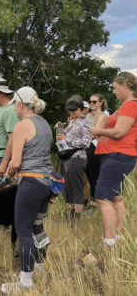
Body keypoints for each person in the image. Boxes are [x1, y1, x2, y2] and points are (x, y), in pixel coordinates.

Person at [1, 87, 54, 294]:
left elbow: (15, 162)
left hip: (31, 182)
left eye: (15, 103)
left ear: (21, 104)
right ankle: (39, 269)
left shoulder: (22, 125)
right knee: (37, 227)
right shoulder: (45, 124)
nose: (14, 107)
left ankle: (25, 283)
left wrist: (7, 176)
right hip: (47, 183)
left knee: (23, 231)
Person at [90, 71, 137, 248]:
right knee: (116, 197)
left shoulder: (130, 105)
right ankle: (118, 238)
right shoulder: (125, 105)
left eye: (116, 88)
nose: (114, 92)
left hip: (118, 156)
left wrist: (98, 131)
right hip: (119, 155)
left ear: (125, 85)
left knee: (102, 198)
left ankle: (109, 242)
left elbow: (119, 133)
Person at [56, 95, 92, 225]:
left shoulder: (86, 122)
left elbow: (86, 142)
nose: (72, 112)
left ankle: (76, 220)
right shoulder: (72, 122)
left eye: (74, 110)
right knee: (66, 187)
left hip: (77, 158)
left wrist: (67, 139)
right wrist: (59, 130)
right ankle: (69, 215)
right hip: (66, 158)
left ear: (82, 108)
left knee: (76, 187)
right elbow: (62, 141)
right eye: (70, 110)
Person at [83, 94, 108, 215]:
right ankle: (92, 203)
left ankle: (95, 204)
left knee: (95, 177)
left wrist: (86, 132)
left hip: (96, 147)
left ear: (101, 103)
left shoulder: (102, 116)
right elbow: (84, 131)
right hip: (86, 147)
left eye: (94, 101)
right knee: (89, 176)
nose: (92, 103)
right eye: (90, 101)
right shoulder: (88, 116)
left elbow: (95, 132)